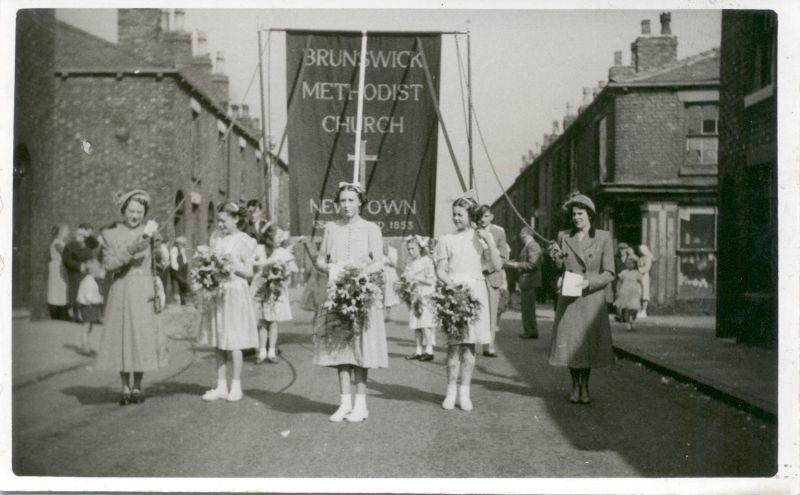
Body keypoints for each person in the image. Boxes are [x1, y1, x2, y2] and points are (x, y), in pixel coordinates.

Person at [313, 182, 388, 423]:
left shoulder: (371, 228)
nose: (346, 205)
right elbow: (321, 259)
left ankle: (361, 404)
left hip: (361, 292)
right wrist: (331, 267)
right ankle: (344, 402)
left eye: (351, 201)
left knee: (360, 348)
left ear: (360, 202)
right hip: (337, 293)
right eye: (342, 201)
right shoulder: (331, 228)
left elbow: (378, 261)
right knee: (340, 347)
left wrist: (360, 272)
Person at [95, 190, 168, 405]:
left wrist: (158, 250)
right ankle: (124, 386)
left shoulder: (151, 233)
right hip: (122, 289)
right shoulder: (111, 235)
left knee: (142, 338)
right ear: (123, 211)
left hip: (144, 288)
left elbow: (159, 264)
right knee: (123, 337)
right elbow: (109, 264)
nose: (135, 215)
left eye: (139, 211)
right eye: (131, 211)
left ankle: (137, 385)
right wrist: (137, 244)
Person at [434, 196, 502, 411]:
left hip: (475, 292)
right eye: (454, 214)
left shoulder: (480, 237)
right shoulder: (446, 239)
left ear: (470, 216)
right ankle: (450, 391)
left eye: (460, 215)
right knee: (454, 346)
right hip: (454, 292)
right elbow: (441, 270)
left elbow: (497, 265)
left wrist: (489, 242)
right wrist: (452, 286)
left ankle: (465, 392)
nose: (456, 218)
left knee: (469, 346)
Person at [546, 192, 615, 405]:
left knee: (586, 347)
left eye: (581, 214)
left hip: (591, 300)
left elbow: (610, 272)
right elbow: (558, 268)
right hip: (569, 299)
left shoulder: (603, 237)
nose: (576, 218)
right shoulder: (563, 236)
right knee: (571, 345)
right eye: (574, 214)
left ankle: (585, 387)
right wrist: (555, 260)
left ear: (590, 216)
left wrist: (590, 282)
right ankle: (574, 386)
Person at [201, 202, 260, 402]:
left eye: (224, 220)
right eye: (218, 220)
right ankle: (221, 385)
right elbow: (208, 262)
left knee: (234, 340)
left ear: (236, 219)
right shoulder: (216, 238)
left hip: (235, 291)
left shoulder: (245, 241)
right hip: (218, 291)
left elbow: (250, 272)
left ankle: (236, 385)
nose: (220, 225)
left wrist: (231, 267)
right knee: (219, 338)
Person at [252, 228, 298, 364]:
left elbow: (294, 268)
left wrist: (284, 269)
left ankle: (271, 351)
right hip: (260, 288)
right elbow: (250, 262)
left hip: (275, 290)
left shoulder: (283, 252)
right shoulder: (259, 249)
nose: (281, 239)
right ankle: (261, 352)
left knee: (273, 321)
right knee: (261, 321)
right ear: (270, 237)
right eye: (278, 236)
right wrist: (264, 265)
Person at [475, 205, 510, 357]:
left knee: (491, 312)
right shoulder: (472, 232)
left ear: (492, 217)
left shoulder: (498, 231)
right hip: (475, 276)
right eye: (480, 216)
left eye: (486, 216)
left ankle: (489, 347)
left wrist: (487, 268)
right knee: (476, 311)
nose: (483, 219)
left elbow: (504, 256)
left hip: (492, 276)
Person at [504, 226, 543, 339]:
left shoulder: (533, 245)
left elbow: (532, 265)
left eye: (522, 235)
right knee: (527, 308)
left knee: (528, 308)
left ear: (527, 235)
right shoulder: (529, 245)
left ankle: (531, 331)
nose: (521, 237)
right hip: (527, 281)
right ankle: (529, 330)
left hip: (529, 281)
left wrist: (516, 265)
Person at [402, 235, 436, 362]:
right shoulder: (410, 262)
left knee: (426, 323)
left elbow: (432, 280)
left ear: (420, 248)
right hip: (415, 294)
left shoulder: (427, 261)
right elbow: (406, 276)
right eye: (409, 249)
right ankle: (418, 350)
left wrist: (415, 278)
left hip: (426, 294)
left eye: (413, 249)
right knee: (416, 325)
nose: (411, 252)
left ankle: (429, 350)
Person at [62, 223, 94, 322]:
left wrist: (89, 265)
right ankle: (75, 315)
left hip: (85, 273)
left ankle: (84, 315)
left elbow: (90, 257)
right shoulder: (70, 245)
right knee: (75, 292)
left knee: (86, 293)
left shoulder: (88, 246)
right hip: (75, 273)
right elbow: (66, 260)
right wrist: (79, 266)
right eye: (81, 235)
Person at [77, 258, 105, 355]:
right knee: (86, 327)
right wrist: (100, 299)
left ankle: (87, 345)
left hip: (89, 307)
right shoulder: (89, 282)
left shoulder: (90, 280)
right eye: (100, 270)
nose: (101, 272)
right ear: (95, 270)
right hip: (88, 307)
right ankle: (85, 347)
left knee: (89, 328)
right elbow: (89, 298)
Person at [47, 224, 70, 320]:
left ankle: (61, 312)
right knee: (56, 290)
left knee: (61, 289)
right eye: (66, 231)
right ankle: (56, 314)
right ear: (60, 232)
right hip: (57, 268)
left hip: (61, 268)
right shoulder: (57, 243)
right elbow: (65, 253)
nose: (68, 233)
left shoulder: (61, 242)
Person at [614, 257, 642, 332]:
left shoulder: (636, 273)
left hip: (634, 292)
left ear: (634, 264)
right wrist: (617, 290)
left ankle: (632, 321)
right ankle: (628, 325)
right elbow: (619, 282)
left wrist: (641, 291)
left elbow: (640, 283)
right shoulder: (623, 272)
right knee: (626, 309)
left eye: (631, 263)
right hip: (625, 291)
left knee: (635, 309)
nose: (629, 265)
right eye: (627, 263)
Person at [170, 236, 191, 305]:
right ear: (178, 244)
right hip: (178, 269)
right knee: (178, 284)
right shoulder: (174, 249)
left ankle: (183, 300)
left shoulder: (182, 249)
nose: (183, 246)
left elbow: (184, 258)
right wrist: (177, 269)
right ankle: (177, 300)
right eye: (182, 244)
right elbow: (173, 260)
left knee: (183, 285)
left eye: (184, 244)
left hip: (183, 268)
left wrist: (185, 265)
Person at [382, 240, 401, 318]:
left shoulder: (393, 251)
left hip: (391, 274)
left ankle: (388, 313)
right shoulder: (378, 251)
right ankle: (383, 313)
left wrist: (388, 256)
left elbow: (394, 265)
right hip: (382, 273)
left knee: (389, 292)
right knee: (383, 293)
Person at [637, 244, 654, 318]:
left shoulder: (648, 258)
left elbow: (647, 268)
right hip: (639, 277)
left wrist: (640, 271)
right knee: (639, 292)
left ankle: (644, 311)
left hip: (644, 276)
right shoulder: (640, 258)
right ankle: (640, 310)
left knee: (645, 293)